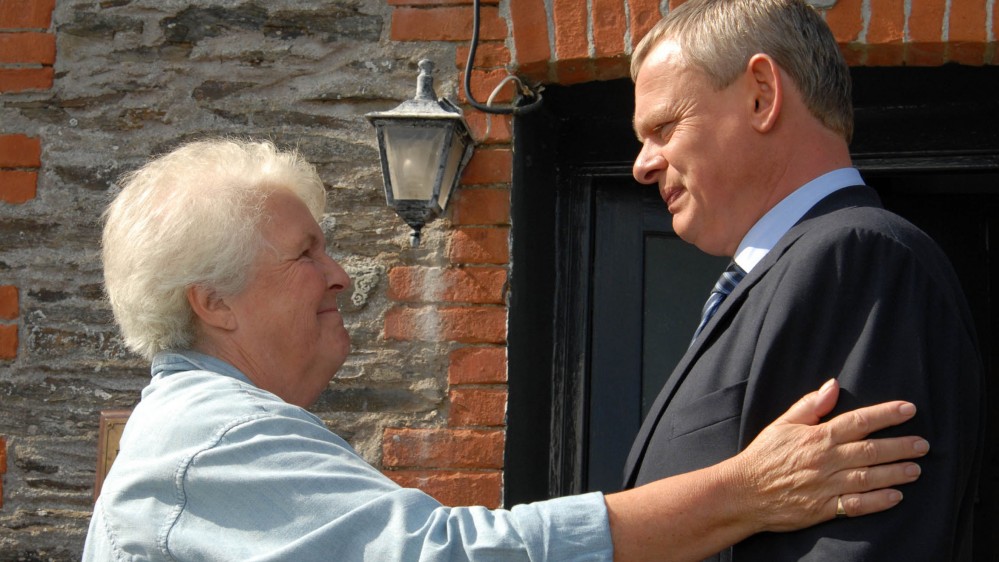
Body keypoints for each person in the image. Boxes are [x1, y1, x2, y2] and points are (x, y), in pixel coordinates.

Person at [84, 138, 928, 561]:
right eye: (305, 253)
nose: (340, 275)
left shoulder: (210, 430)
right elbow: (451, 555)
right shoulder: (215, 440)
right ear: (213, 303)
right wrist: (743, 492)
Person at [624, 0, 985, 560]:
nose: (642, 165)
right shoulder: (793, 271)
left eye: (664, 128)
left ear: (761, 95)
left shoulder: (858, 260)